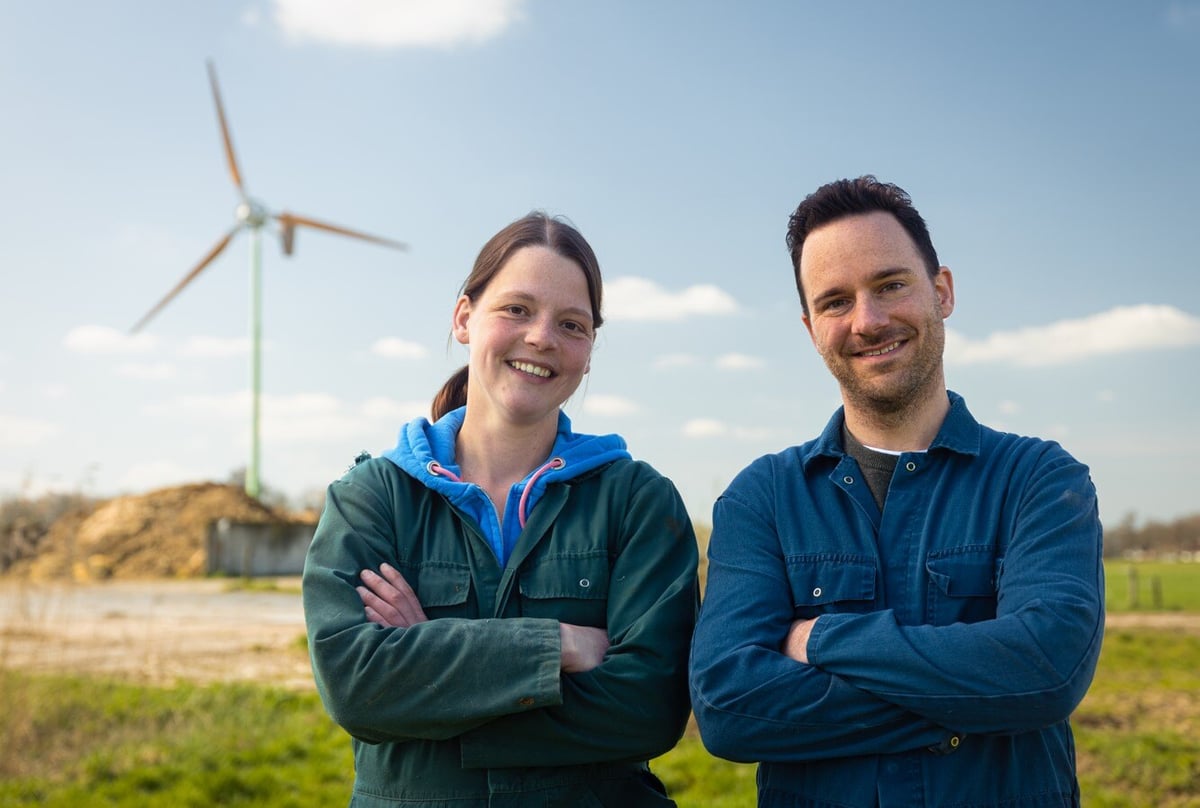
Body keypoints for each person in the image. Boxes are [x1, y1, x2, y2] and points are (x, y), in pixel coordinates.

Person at [689, 176, 1105, 807]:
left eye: (890, 285)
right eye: (835, 301)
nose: (868, 320)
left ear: (942, 291)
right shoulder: (762, 499)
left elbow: (1046, 671)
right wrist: (980, 699)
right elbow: (729, 707)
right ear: (810, 328)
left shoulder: (1040, 480)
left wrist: (823, 640)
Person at [302, 211, 699, 807]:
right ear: (465, 317)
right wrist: (559, 645)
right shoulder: (372, 498)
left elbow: (650, 708)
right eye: (517, 309)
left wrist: (433, 670)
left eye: (572, 324)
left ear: (589, 352)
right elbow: (357, 686)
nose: (542, 337)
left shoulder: (638, 501)